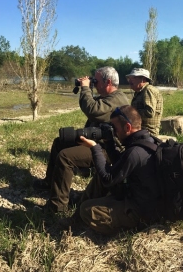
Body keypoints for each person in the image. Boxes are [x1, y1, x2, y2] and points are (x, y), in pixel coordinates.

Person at [34, 66, 130, 213]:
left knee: (66, 157)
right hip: (96, 140)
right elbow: (92, 104)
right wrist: (88, 87)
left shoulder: (118, 99)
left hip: (108, 149)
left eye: (96, 81)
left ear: (108, 82)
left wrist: (86, 88)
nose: (94, 83)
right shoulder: (108, 97)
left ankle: (57, 206)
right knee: (59, 142)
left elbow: (93, 110)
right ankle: (50, 183)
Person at [74, 105, 161, 235]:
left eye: (115, 128)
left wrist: (95, 148)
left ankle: (129, 229)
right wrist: (109, 143)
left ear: (127, 127)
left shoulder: (135, 152)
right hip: (137, 195)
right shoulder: (147, 140)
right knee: (99, 177)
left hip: (141, 212)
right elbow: (120, 164)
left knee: (86, 210)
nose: (114, 132)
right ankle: (75, 220)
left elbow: (108, 179)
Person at [126, 68, 163, 136]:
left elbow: (149, 112)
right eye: (129, 78)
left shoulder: (148, 90)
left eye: (133, 78)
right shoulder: (140, 91)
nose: (130, 81)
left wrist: (131, 112)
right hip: (141, 130)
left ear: (143, 79)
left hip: (148, 132)